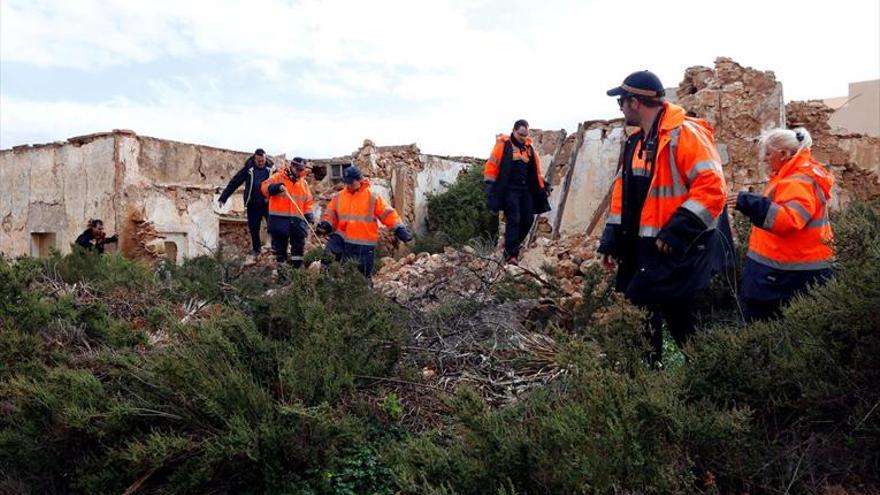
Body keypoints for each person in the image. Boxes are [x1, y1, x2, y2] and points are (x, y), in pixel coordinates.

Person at [598, 70, 730, 364]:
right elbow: (623, 195)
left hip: (676, 249)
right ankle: (652, 378)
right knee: (646, 312)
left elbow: (712, 189)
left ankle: (709, 378)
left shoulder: (684, 135)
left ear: (634, 102)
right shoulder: (636, 143)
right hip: (643, 248)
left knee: (679, 318)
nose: (619, 108)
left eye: (621, 101)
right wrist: (612, 242)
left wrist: (675, 233)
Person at [729, 127, 834, 322]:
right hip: (789, 272)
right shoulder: (792, 175)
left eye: (768, 153)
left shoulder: (797, 181)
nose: (764, 159)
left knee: (764, 333)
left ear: (784, 154)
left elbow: (790, 220)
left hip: (786, 276)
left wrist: (750, 203)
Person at [315, 166, 413, 277]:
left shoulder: (372, 197)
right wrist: (326, 224)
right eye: (347, 183)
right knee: (330, 264)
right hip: (343, 240)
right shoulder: (339, 197)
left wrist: (399, 228)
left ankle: (366, 292)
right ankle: (327, 289)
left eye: (351, 183)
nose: (348, 186)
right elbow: (330, 214)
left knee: (362, 277)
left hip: (364, 245)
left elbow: (388, 214)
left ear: (360, 179)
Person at [483, 119, 552, 264]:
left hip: (526, 190)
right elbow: (492, 165)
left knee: (528, 220)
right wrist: (490, 185)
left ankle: (511, 245)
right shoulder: (503, 145)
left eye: (525, 135)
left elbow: (536, 172)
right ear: (514, 131)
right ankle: (511, 255)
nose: (523, 138)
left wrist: (543, 186)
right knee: (514, 219)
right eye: (521, 134)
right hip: (509, 190)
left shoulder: (529, 149)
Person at [218, 148, 275, 259]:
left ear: (265, 158)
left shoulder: (271, 169)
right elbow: (235, 182)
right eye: (258, 161)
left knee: (273, 225)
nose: (260, 163)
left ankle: (274, 247)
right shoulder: (249, 169)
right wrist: (223, 197)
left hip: (268, 203)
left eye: (262, 161)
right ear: (255, 158)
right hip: (253, 203)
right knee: (254, 228)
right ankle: (256, 249)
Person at [261, 157, 314, 268]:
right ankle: (282, 276)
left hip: (297, 222)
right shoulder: (278, 177)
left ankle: (296, 274)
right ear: (292, 166)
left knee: (298, 250)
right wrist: (275, 188)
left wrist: (309, 215)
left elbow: (308, 202)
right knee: (280, 252)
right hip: (279, 221)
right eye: (298, 169)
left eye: (302, 170)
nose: (300, 172)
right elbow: (264, 187)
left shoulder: (303, 184)